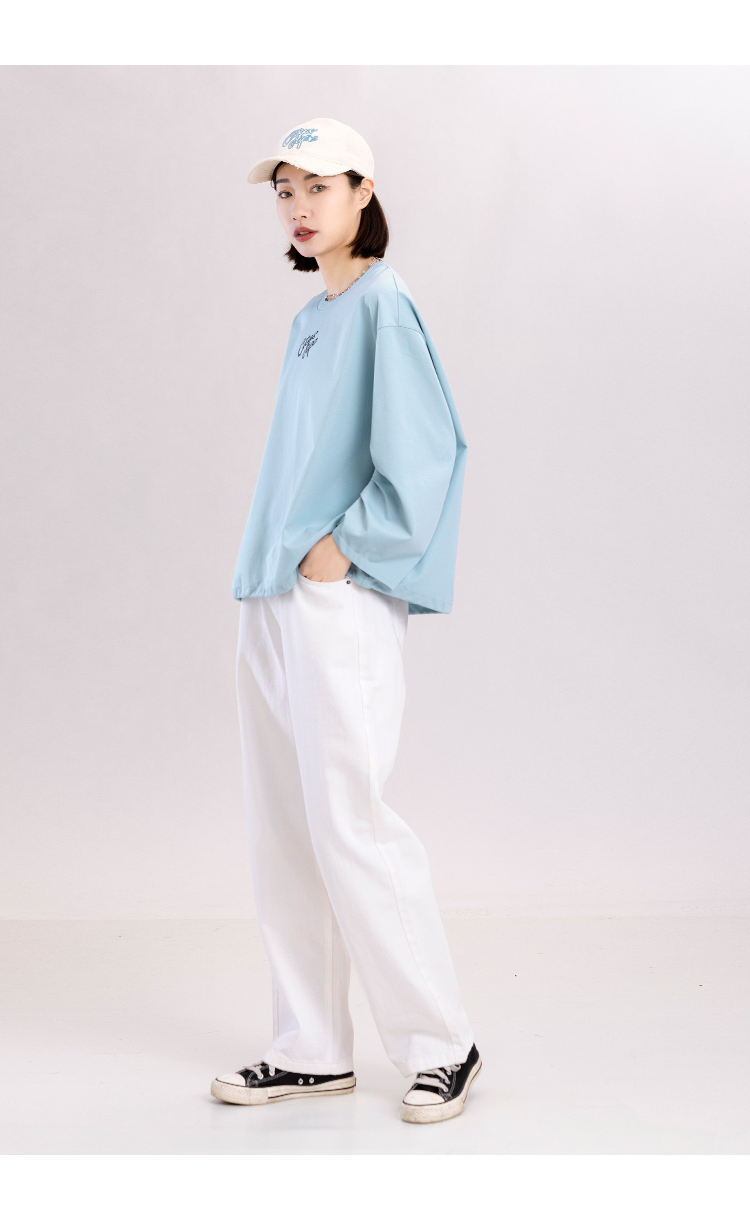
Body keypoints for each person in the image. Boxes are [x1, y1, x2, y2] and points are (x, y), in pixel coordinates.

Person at [210, 117, 481, 1125]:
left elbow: (428, 449)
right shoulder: (313, 316)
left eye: (318, 186)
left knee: (350, 821)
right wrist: (274, 568)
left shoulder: (382, 302)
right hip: (273, 593)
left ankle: (442, 1043)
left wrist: (345, 548)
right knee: (284, 827)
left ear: (364, 191)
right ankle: (311, 1048)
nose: (298, 205)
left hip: (334, 594)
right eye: (285, 190)